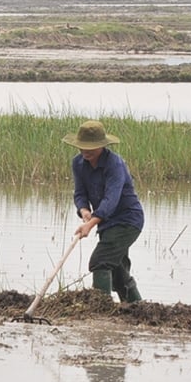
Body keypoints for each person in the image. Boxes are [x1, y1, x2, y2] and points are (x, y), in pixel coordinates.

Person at [63, 120, 144, 303]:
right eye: (82, 147)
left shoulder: (115, 164)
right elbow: (80, 193)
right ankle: (136, 308)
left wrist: (90, 224)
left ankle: (101, 310)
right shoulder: (78, 163)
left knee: (100, 261)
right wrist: (84, 210)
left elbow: (111, 200)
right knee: (118, 272)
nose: (85, 151)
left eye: (91, 147)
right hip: (106, 223)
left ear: (102, 146)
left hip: (127, 221)